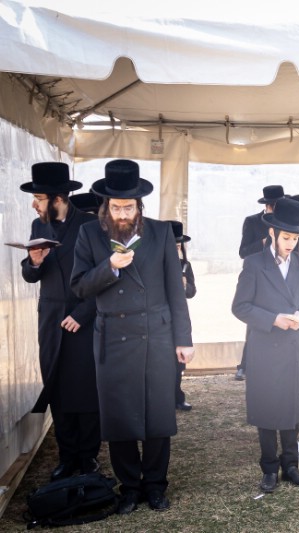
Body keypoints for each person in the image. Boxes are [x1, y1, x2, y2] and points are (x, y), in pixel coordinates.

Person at [71, 159, 194, 514]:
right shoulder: (89, 234)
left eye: (129, 207)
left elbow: (175, 291)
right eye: (116, 207)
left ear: (139, 206)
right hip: (113, 335)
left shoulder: (160, 232)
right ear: (105, 207)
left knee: (158, 414)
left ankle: (155, 484)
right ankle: (129, 486)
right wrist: (109, 267)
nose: (123, 214)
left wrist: (183, 338)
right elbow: (79, 286)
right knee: (119, 415)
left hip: (157, 333)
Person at [20, 162, 101, 481]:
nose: (34, 204)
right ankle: (67, 456)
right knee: (57, 386)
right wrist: (33, 262)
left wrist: (82, 314)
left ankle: (88, 456)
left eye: (39, 198)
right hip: (51, 320)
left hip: (84, 319)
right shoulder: (37, 226)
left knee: (86, 388)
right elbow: (30, 275)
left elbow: (106, 278)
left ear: (57, 199)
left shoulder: (92, 226)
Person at [231, 197, 299, 493]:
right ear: (272, 233)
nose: (291, 243)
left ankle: (290, 465)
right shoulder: (254, 263)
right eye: (286, 237)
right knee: (266, 407)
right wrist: (273, 319)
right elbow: (240, 307)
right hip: (264, 346)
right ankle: (269, 467)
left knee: (291, 406)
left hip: (292, 342)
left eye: (296, 238)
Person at [235, 185, 285, 381]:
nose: (276, 209)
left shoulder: (285, 221)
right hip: (256, 277)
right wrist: (263, 243)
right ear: (267, 206)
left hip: (280, 277)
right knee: (254, 321)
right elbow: (243, 252)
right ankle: (245, 365)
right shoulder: (252, 221)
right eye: (274, 206)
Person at [169, 220, 196, 411]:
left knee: (179, 363)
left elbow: (192, 292)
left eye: (179, 246)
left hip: (179, 318)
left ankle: (178, 397)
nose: (176, 249)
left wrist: (185, 285)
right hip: (160, 317)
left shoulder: (185, 265)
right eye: (173, 245)